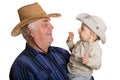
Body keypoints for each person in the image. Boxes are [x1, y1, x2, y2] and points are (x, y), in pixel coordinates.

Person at [9, 2, 71, 80]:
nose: (52, 27)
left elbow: (85, 75)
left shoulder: (62, 53)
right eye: (45, 24)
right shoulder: (22, 66)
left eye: (50, 22)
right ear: (29, 31)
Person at [66, 13, 107, 80]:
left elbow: (98, 64)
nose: (78, 30)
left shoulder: (94, 48)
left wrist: (88, 61)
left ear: (93, 36)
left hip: (82, 75)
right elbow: (73, 52)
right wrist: (70, 42)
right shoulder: (79, 42)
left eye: (82, 29)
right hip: (70, 72)